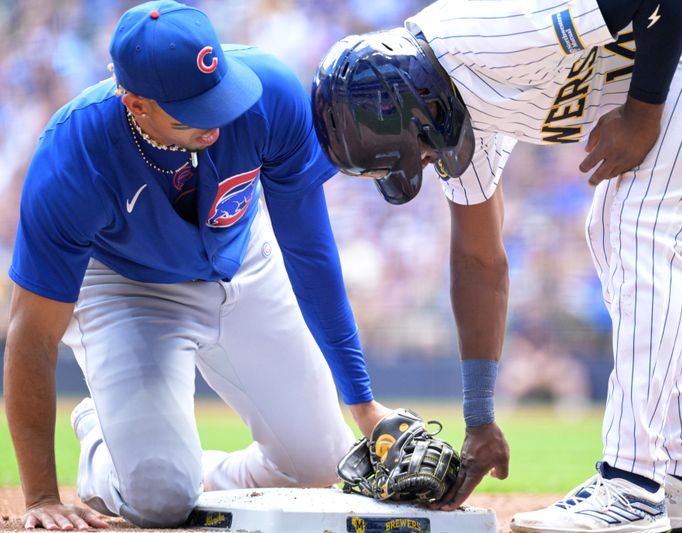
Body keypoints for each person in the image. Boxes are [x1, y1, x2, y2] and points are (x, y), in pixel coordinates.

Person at [311, 0, 682, 531]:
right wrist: (479, 419)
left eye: (416, 149)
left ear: (418, 105)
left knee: (637, 224)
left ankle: (632, 485)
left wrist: (642, 113)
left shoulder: (490, 35)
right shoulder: (450, 109)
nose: (424, 161)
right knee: (617, 228)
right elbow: (478, 257)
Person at [3, 1, 393, 530]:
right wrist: (41, 496)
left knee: (322, 467)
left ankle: (174, 470)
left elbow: (309, 250)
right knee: (157, 503)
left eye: (219, 94)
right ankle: (106, 440)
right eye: (192, 108)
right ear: (136, 104)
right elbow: (31, 335)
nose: (216, 118)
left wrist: (364, 404)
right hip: (128, 286)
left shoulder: (268, 92)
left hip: (245, 258)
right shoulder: (74, 157)